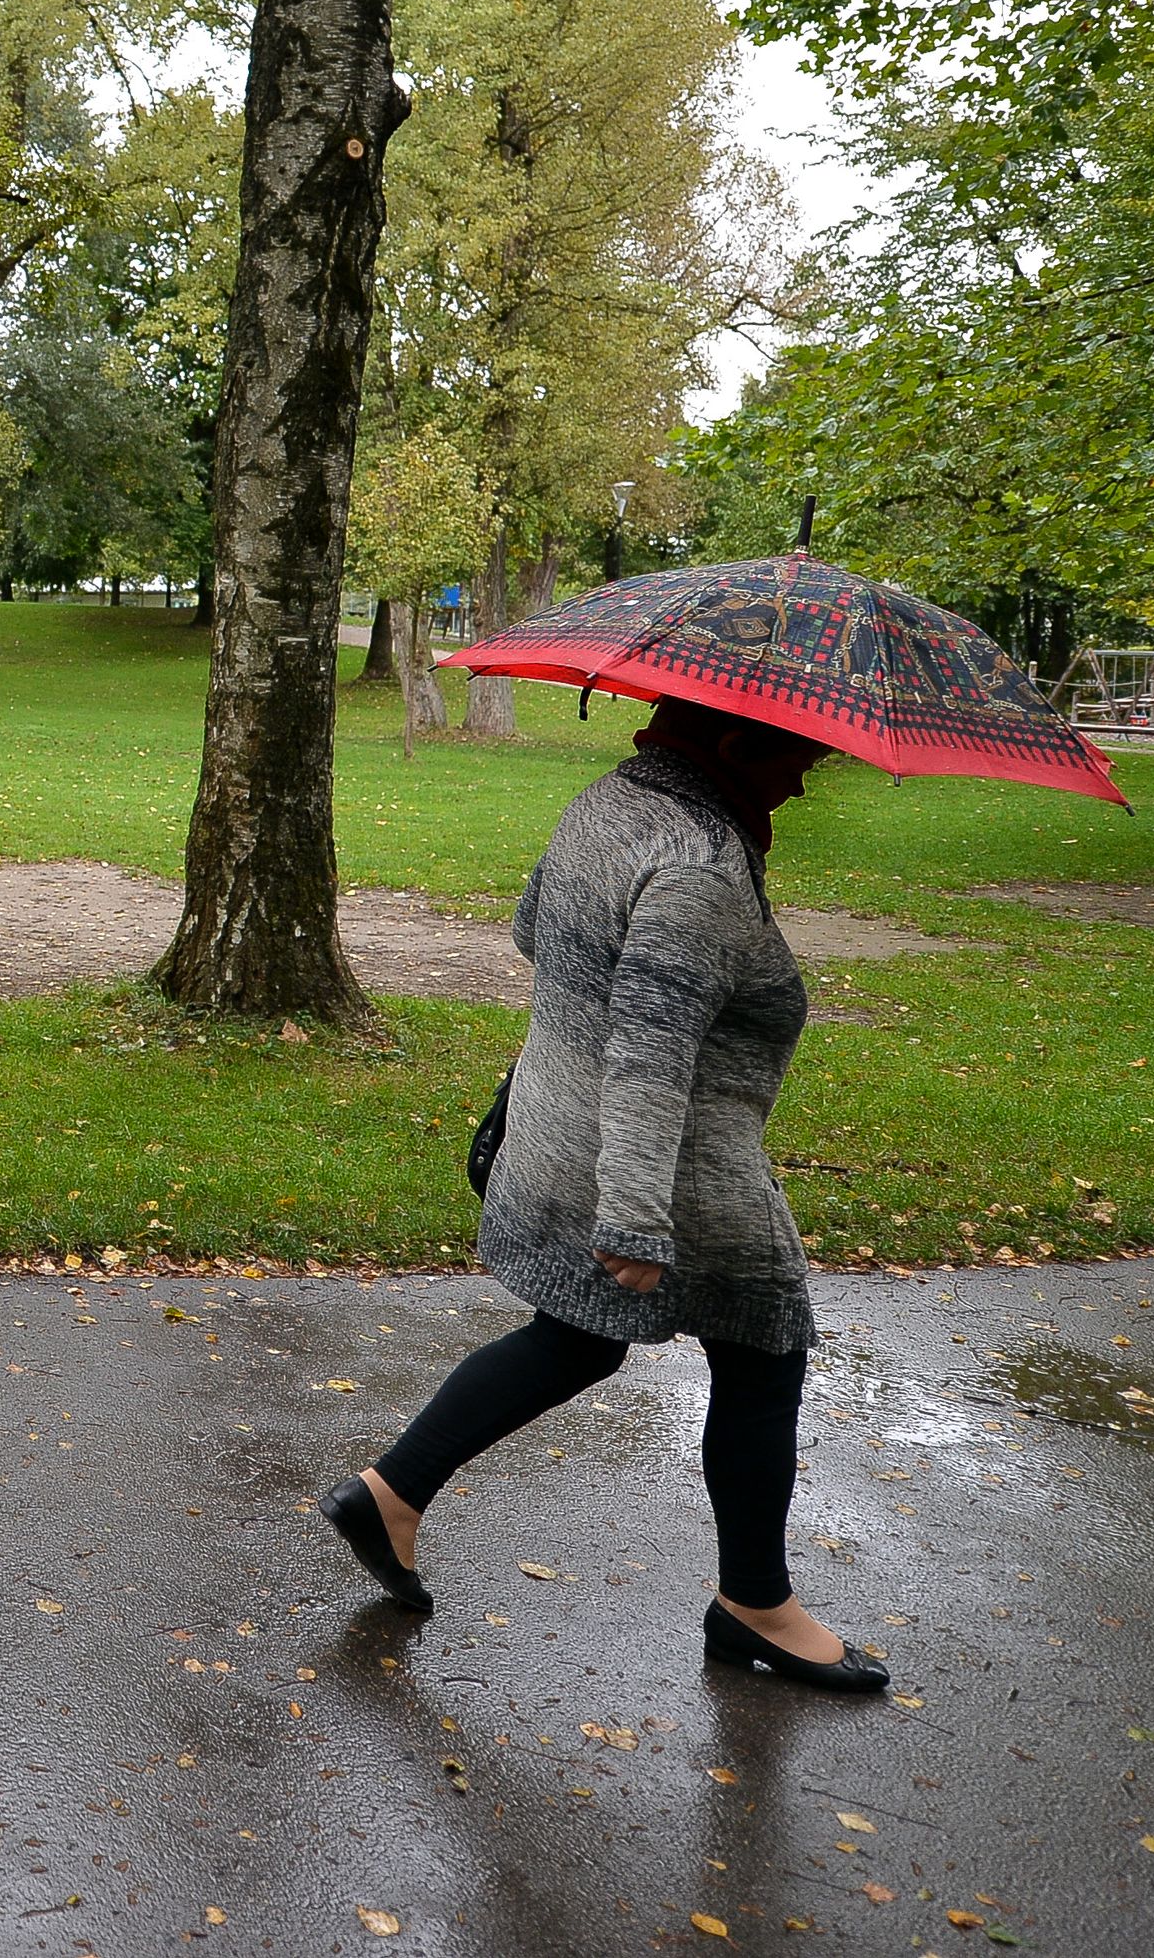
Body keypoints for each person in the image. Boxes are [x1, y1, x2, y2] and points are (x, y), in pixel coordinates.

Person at [323, 694, 890, 1693]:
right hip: (672, 1162)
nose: (805, 777)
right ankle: (754, 1603)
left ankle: (391, 1493)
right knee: (765, 1353)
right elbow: (649, 1049)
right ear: (731, 742)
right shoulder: (702, 866)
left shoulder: (610, 799)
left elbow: (533, 928)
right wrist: (634, 1214)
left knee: (578, 1333)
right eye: (796, 755)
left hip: (560, 1123)